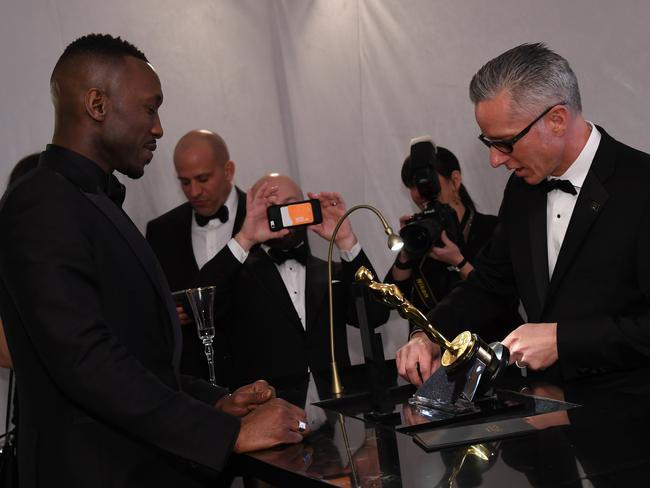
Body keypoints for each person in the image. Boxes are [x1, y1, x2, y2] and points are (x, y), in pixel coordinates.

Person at [0, 34, 308, 487]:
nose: (160, 127)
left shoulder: (91, 203)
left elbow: (139, 359)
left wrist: (213, 401)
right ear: (97, 104)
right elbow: (86, 362)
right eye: (150, 108)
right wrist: (226, 432)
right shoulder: (41, 202)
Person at [396, 42, 650, 387]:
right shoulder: (522, 190)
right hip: (548, 408)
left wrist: (562, 340)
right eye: (489, 144)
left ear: (557, 120)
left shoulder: (640, 185)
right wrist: (428, 334)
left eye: (505, 143)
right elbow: (490, 283)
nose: (496, 160)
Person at [197, 173, 390, 389]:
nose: (282, 215)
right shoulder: (239, 276)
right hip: (267, 409)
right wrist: (245, 238)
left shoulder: (330, 272)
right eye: (272, 207)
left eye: (290, 206)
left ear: (306, 210)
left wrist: (346, 241)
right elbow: (199, 304)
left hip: (335, 409)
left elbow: (376, 314)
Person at [385, 146, 519, 344]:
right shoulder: (421, 236)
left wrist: (458, 261)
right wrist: (408, 247)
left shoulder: (492, 228)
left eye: (427, 183)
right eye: (412, 185)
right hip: (434, 349)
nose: (420, 192)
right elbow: (392, 297)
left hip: (491, 346)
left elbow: (503, 296)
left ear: (455, 180)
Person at [146, 129, 246, 381]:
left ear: (228, 170)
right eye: (185, 181)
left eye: (203, 178)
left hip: (264, 375)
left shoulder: (264, 220)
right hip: (195, 385)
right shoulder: (160, 231)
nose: (194, 191)